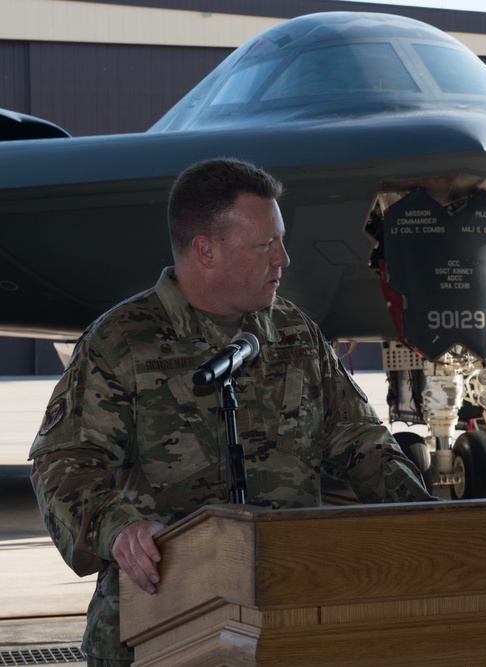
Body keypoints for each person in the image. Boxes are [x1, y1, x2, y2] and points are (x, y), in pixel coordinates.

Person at [28, 157, 435, 666]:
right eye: (266, 245)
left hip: (287, 617)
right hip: (158, 622)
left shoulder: (294, 334)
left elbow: (358, 438)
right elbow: (63, 463)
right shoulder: (121, 343)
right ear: (206, 251)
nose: (283, 258)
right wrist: (121, 529)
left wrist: (427, 517)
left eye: (280, 240)